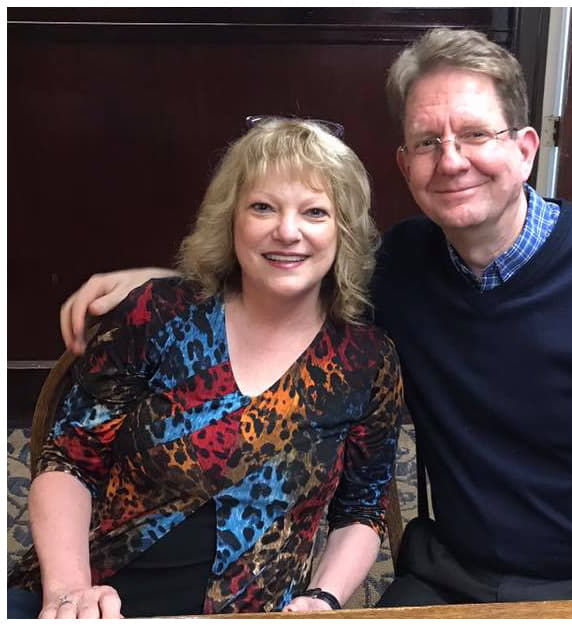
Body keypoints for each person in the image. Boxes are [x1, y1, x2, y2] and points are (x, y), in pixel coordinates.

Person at [54, 28, 572, 607]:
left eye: (475, 134)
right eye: (428, 142)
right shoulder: (402, 266)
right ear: (405, 165)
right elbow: (291, 271)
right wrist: (168, 282)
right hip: (449, 576)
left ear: (526, 147)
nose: (452, 160)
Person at [8, 117, 405, 617]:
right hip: (93, 594)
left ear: (342, 231)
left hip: (252, 613)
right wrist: (68, 592)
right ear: (231, 219)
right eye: (263, 207)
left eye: (315, 212)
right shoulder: (159, 314)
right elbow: (69, 461)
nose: (287, 231)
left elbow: (362, 509)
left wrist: (323, 597)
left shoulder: (365, 361)